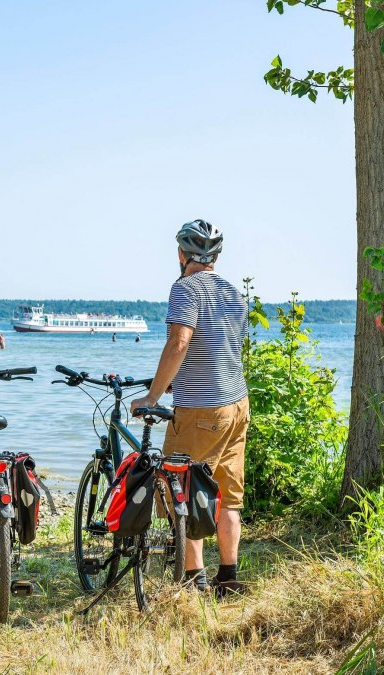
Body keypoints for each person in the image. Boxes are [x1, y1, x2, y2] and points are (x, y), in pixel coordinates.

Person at [129, 220, 250, 599]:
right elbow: (221, 347)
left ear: (181, 255)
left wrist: (152, 396)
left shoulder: (184, 288)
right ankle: (227, 577)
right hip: (237, 403)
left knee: (181, 487)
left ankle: (193, 577)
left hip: (201, 409)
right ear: (215, 257)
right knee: (228, 495)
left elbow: (180, 343)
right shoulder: (234, 293)